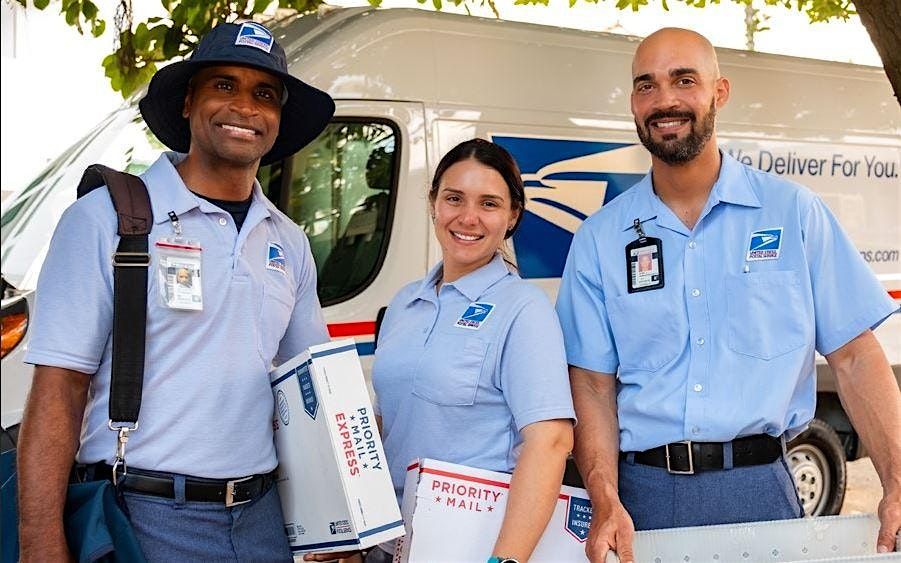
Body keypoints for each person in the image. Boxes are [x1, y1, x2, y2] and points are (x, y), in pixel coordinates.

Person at [555, 27, 901, 563]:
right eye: (646, 85)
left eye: (684, 80)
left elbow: (854, 357)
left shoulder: (793, 214)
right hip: (640, 500)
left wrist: (897, 481)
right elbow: (593, 388)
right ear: (632, 102)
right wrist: (605, 498)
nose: (664, 100)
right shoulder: (600, 240)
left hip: (762, 490)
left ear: (720, 92)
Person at [17, 21, 335, 561]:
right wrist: (41, 543)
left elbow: (311, 392)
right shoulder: (106, 220)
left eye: (264, 95)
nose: (245, 107)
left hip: (261, 521)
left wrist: (341, 521)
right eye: (224, 86)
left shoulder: (288, 240)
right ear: (188, 102)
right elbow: (59, 388)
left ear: (278, 119)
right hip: (144, 515)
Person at [369, 139, 575, 563]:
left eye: (489, 204)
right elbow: (388, 425)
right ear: (433, 203)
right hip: (387, 545)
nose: (468, 218)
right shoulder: (404, 304)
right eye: (454, 198)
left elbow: (550, 441)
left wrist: (506, 560)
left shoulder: (524, 309)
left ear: (513, 215)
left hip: (470, 545)